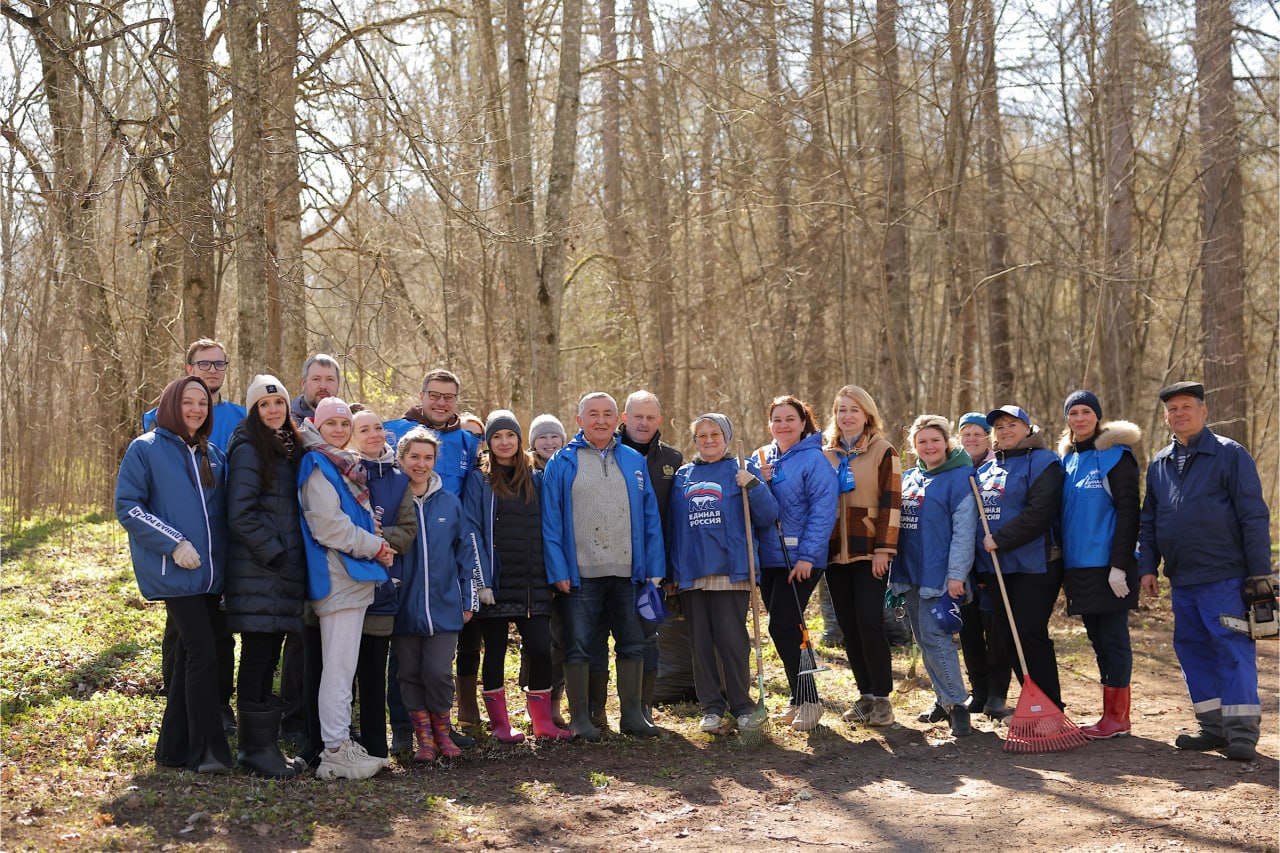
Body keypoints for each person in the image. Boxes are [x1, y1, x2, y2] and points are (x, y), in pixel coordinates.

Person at [1138, 381, 1271, 762]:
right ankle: (1212, 728)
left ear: (1203, 411)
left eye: (1186, 407)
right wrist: (1148, 566)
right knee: (1193, 650)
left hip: (1225, 574)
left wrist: (1259, 575)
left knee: (1231, 649)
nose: (1178, 414)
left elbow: (1253, 515)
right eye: (1172, 409)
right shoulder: (1161, 462)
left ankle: (1242, 733)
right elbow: (1149, 520)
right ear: (1166, 417)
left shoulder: (1230, 454)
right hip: (1182, 579)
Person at [117, 376, 231, 772]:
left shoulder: (212, 453)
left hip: (211, 575)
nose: (197, 409)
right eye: (189, 401)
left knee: (188, 655)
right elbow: (128, 507)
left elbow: (223, 515)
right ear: (171, 404)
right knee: (202, 653)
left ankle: (173, 748)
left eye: (203, 403)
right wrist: (175, 543)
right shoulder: (145, 449)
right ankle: (209, 750)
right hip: (175, 571)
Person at [542, 392, 665, 741]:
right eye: (592, 414)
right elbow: (550, 523)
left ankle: (632, 716)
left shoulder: (633, 460)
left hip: (630, 573)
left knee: (632, 642)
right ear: (579, 421)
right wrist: (558, 570)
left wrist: (655, 567)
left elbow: (650, 517)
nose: (600, 420)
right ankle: (581, 717)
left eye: (607, 414)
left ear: (618, 420)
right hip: (580, 575)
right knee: (579, 644)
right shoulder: (562, 462)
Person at [143, 338, 243, 733]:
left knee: (220, 629)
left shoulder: (237, 414)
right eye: (204, 363)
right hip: (179, 542)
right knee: (182, 631)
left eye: (219, 363)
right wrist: (168, 540)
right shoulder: (160, 416)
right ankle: (178, 702)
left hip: (220, 538)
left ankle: (219, 704)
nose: (213, 369)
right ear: (189, 368)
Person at [297, 397, 395, 780]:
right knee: (338, 670)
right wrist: (375, 546)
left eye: (343, 424)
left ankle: (338, 744)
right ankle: (335, 752)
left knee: (342, 667)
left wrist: (374, 542)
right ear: (318, 426)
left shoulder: (342, 464)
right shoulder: (318, 463)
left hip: (352, 575)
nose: (338, 430)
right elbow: (327, 526)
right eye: (331, 424)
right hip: (336, 575)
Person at [384, 368, 484, 737]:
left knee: (439, 664)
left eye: (449, 397)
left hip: (444, 553)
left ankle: (442, 729)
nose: (441, 402)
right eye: (435, 395)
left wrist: (470, 587)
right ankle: (405, 730)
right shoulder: (393, 429)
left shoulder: (467, 441)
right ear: (422, 394)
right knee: (404, 662)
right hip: (405, 564)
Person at [465, 411, 574, 741]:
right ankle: (500, 724)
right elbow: (472, 530)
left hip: (532, 582)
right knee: (495, 651)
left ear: (519, 439)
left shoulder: (537, 477)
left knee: (541, 648)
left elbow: (553, 526)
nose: (504, 442)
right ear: (489, 442)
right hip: (496, 585)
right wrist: (481, 581)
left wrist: (554, 572)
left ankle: (542, 722)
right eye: (497, 437)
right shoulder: (478, 479)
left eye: (510, 436)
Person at [667, 414, 778, 734]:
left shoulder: (741, 469)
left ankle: (741, 705)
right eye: (701, 436)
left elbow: (769, 515)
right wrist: (675, 573)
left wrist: (754, 485)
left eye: (714, 433)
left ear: (726, 437)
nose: (708, 440)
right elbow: (674, 527)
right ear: (695, 442)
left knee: (732, 640)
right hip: (693, 572)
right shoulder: (683, 476)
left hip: (732, 569)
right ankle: (712, 708)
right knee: (701, 643)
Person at [223, 375, 309, 778]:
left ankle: (263, 745)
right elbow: (241, 512)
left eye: (279, 404)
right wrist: (276, 554)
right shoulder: (249, 448)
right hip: (261, 572)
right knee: (258, 658)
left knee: (268, 656)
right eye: (264, 405)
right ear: (254, 411)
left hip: (280, 574)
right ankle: (255, 749)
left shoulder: (287, 447)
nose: (273, 411)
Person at [592, 391, 686, 726]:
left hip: (654, 571)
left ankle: (642, 709)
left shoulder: (673, 461)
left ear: (658, 421)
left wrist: (671, 571)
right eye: (637, 417)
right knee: (599, 635)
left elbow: (676, 520)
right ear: (624, 419)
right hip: (608, 562)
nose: (643, 423)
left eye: (650, 417)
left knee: (647, 635)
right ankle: (597, 710)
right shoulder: (605, 454)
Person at [1057, 390, 1141, 739]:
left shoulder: (1115, 457)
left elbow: (1129, 513)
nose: (1080, 418)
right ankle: (1110, 715)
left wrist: (1120, 564)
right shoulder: (1066, 461)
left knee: (1114, 638)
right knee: (1097, 639)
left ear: (1097, 416)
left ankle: (1118, 717)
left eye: (1086, 411)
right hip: (1078, 568)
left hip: (1109, 567)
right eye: (1073, 412)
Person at [755, 395, 839, 731]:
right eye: (777, 419)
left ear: (803, 423)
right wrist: (757, 480)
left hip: (799, 560)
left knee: (783, 626)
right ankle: (797, 697)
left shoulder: (814, 460)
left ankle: (810, 700)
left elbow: (823, 510)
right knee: (787, 628)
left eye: (790, 419)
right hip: (768, 559)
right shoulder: (761, 458)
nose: (783, 425)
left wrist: (808, 556)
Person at [891, 415, 978, 738]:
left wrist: (956, 575)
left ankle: (958, 706)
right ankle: (943, 699)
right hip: (910, 572)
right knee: (924, 640)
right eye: (922, 441)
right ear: (914, 447)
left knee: (937, 639)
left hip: (940, 575)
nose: (929, 446)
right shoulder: (911, 477)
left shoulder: (960, 479)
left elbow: (964, 533)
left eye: (935, 440)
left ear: (947, 443)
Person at [975, 404, 1066, 711]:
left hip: (1036, 564)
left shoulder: (1045, 462)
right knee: (1009, 635)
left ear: (1028, 428)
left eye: (1012, 424)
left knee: (1029, 632)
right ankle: (1035, 704)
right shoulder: (986, 470)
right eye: (999, 427)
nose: (1005, 430)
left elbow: (1040, 513)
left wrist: (1000, 540)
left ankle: (1051, 705)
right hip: (997, 568)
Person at [821, 385, 901, 727]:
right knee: (848, 626)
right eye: (841, 410)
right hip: (835, 551)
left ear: (867, 414)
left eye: (854, 409)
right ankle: (865, 694)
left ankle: (882, 697)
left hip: (869, 550)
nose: (847, 416)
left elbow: (891, 503)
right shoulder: (826, 454)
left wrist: (884, 548)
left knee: (870, 621)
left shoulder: (883, 451)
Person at [351, 410, 418, 759]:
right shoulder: (340, 472)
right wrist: (362, 538)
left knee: (375, 671)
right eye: (364, 429)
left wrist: (376, 538)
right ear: (352, 435)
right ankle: (343, 740)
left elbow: (407, 531)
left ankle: (376, 745)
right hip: (343, 586)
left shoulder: (397, 478)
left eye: (378, 428)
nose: (374, 434)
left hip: (383, 587)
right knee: (342, 672)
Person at [953, 412, 1012, 721]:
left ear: (988, 437)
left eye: (978, 433)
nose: (972, 439)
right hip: (963, 564)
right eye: (966, 434)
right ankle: (979, 690)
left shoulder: (998, 467)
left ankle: (997, 693)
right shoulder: (955, 468)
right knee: (969, 628)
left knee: (997, 627)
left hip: (992, 562)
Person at [526, 412, 570, 727]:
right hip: (533, 567)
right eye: (542, 437)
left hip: (566, 564)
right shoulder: (524, 472)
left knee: (562, 639)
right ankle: (535, 701)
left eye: (555, 436)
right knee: (536, 641)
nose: (549, 442)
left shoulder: (569, 468)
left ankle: (555, 700)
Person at [290, 354, 342, 424]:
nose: (323, 386)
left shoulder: (347, 422)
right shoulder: (288, 423)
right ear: (303, 383)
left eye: (330, 379)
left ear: (338, 384)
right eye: (316, 379)